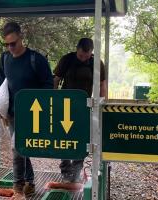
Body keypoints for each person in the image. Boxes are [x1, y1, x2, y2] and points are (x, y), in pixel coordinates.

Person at [0, 22, 53, 199]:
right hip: (11, 114)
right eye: (7, 44)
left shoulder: (36, 59)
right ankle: (30, 184)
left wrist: (42, 108)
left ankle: (18, 189)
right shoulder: (4, 59)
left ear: (21, 37)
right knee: (21, 148)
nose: (11, 48)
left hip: (33, 114)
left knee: (18, 148)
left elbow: (48, 85)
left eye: (14, 43)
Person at [53, 38, 107, 183]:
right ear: (77, 50)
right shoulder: (67, 60)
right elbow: (56, 79)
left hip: (84, 107)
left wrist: (102, 105)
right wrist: (53, 99)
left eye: (87, 56)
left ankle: (76, 172)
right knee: (64, 138)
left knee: (81, 139)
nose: (83, 58)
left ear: (91, 53)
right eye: (81, 55)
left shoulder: (97, 63)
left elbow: (102, 84)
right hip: (64, 105)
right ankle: (65, 170)